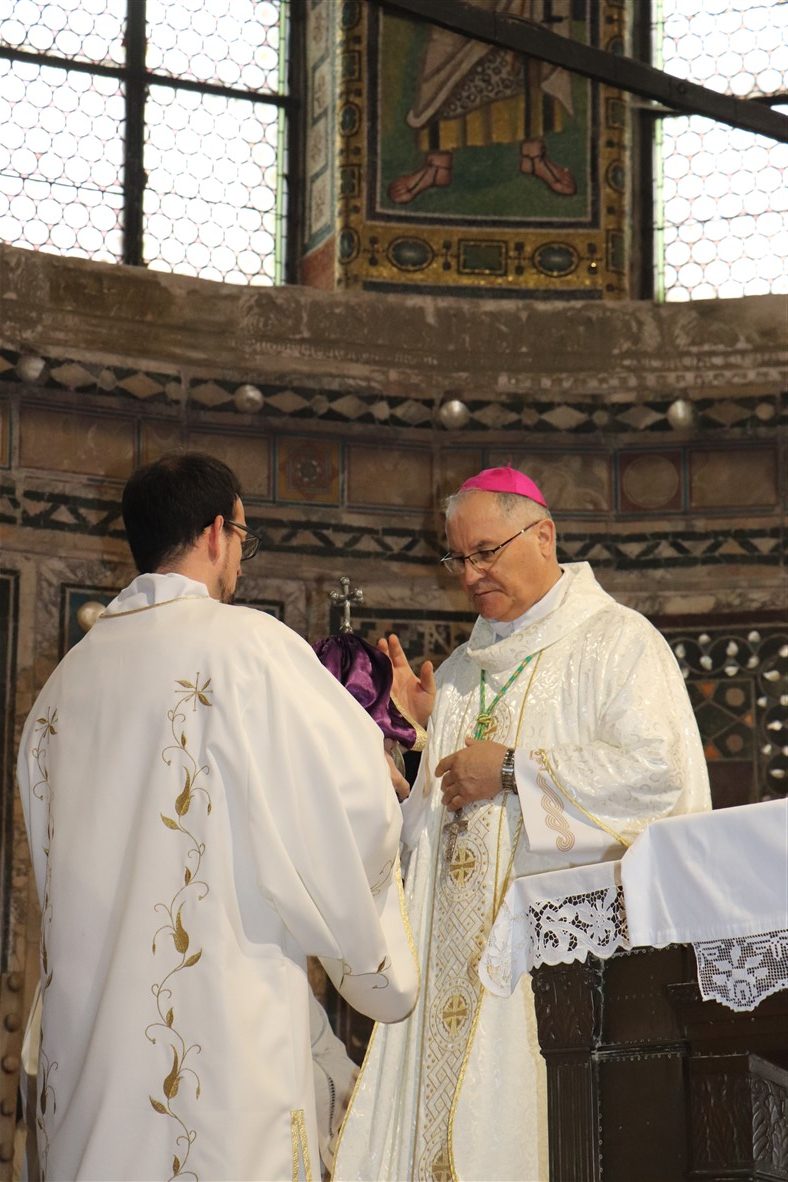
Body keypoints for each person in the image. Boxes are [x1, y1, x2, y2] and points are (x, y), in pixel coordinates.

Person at [17, 452, 418, 1182]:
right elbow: (350, 807)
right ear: (215, 533)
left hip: (92, 1051)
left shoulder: (61, 689)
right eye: (242, 538)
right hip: (219, 1043)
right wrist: (385, 762)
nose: (238, 560)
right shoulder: (248, 646)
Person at [333, 466, 711, 1182]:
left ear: (544, 536)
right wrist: (414, 749)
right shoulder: (459, 675)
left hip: (560, 985)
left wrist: (512, 770)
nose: (470, 574)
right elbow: (431, 836)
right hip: (448, 973)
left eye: (486, 552)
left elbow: (658, 777)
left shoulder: (618, 643)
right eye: (458, 558)